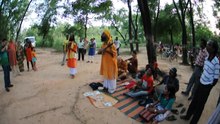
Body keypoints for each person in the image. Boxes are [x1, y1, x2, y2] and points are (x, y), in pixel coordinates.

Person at [180, 40, 220, 124]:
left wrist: (208, 87)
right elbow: (204, 69)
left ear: (213, 49)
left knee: (200, 106)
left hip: (206, 86)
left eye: (209, 45)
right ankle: (187, 116)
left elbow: (215, 79)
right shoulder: (207, 57)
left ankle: (193, 122)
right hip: (201, 82)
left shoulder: (216, 62)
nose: (207, 46)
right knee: (194, 100)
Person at [98, 29, 118, 94]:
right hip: (105, 62)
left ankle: (112, 89)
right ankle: (106, 87)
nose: (102, 35)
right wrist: (101, 51)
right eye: (102, 34)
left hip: (111, 63)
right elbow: (100, 52)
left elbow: (114, 54)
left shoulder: (112, 45)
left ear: (107, 36)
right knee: (106, 75)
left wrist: (106, 50)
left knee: (111, 75)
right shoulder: (103, 44)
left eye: (103, 34)